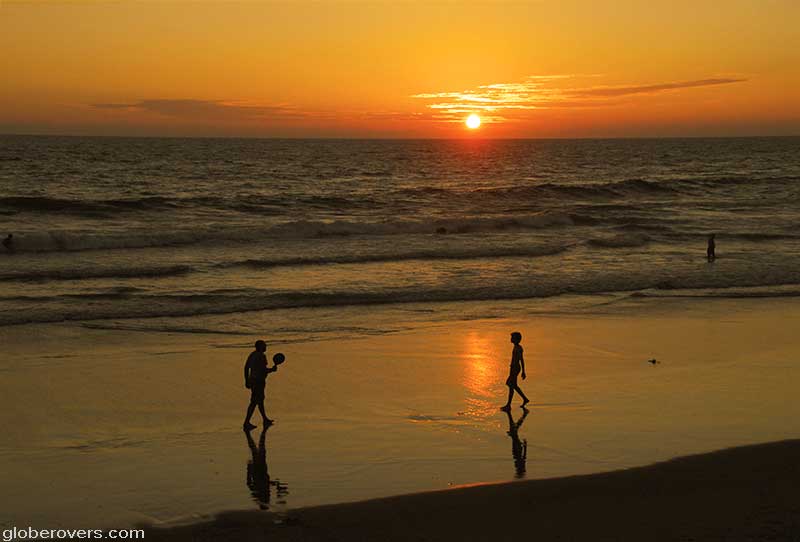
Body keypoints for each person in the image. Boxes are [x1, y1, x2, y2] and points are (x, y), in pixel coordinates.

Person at [243, 340, 277, 430]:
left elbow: (246, 367)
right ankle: (246, 422)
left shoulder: (252, 354)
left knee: (260, 400)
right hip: (258, 381)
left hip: (253, 380)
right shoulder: (261, 356)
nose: (266, 347)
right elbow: (263, 370)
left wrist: (246, 380)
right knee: (254, 402)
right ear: (261, 347)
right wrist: (272, 370)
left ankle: (265, 419)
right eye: (264, 345)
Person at [502, 331, 530, 410]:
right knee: (512, 385)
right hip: (513, 368)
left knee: (511, 384)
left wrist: (523, 371)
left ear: (516, 339)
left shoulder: (518, 348)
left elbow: (521, 360)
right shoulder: (515, 347)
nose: (511, 339)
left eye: (512, 338)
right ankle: (524, 399)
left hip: (515, 368)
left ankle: (509, 405)